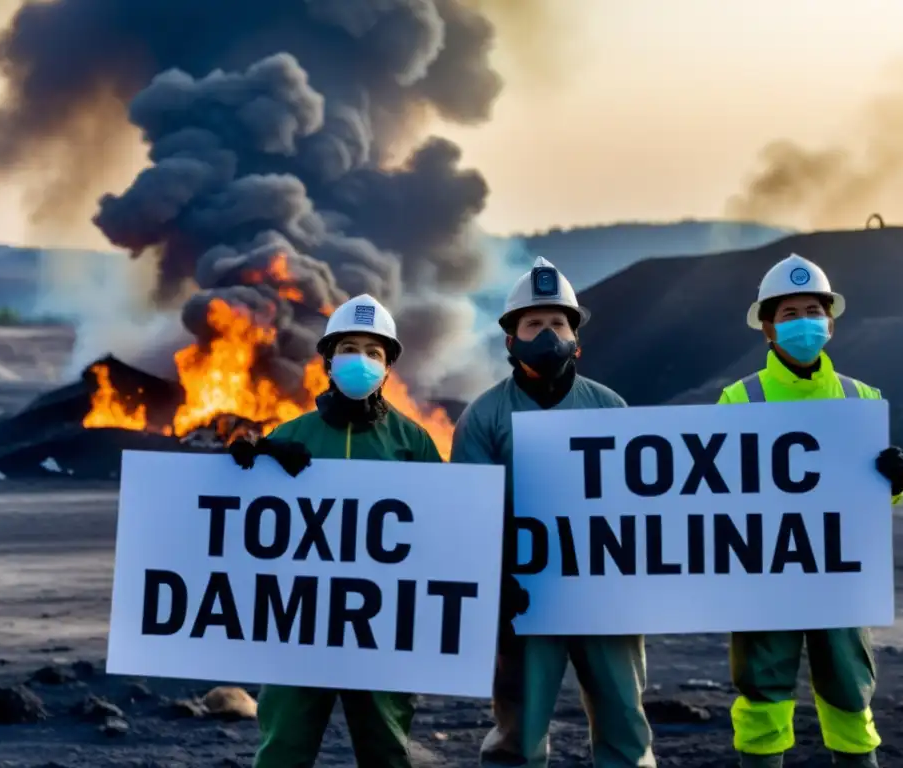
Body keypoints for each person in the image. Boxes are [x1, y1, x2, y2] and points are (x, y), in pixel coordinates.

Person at [451, 256, 656, 768]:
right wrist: (499, 585)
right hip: (524, 602)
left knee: (623, 725)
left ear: (576, 336)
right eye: (534, 324)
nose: (548, 333)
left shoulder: (610, 408)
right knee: (517, 736)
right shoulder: (484, 416)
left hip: (602, 596)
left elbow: (642, 508)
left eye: (558, 323)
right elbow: (469, 512)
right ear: (511, 339)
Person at [228, 293, 442, 768]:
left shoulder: (414, 443)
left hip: (381, 624)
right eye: (349, 349)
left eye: (374, 352)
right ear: (327, 360)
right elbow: (239, 530)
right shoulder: (290, 437)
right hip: (300, 624)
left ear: (388, 369)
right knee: (282, 748)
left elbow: (442, 532)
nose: (361, 361)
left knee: (386, 748)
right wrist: (246, 462)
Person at [717, 253, 903, 768]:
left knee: (849, 695)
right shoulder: (739, 400)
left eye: (813, 310)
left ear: (830, 320)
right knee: (763, 699)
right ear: (767, 328)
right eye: (789, 314)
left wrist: (893, 483)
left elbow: (869, 500)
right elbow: (714, 493)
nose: (804, 323)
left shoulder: (861, 397)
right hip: (767, 575)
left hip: (837, 576)